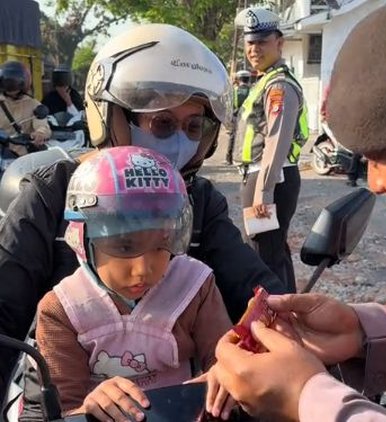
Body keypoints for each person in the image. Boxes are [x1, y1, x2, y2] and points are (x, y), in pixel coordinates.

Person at [207, 0, 386, 420]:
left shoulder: (280, 85)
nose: (374, 183)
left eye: (379, 157)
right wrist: (360, 331)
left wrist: (307, 397)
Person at [0, 24, 285, 404]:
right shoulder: (53, 193)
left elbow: (252, 284)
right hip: (70, 403)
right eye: (161, 123)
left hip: (175, 405)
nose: (179, 140)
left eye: (194, 125)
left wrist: (286, 330)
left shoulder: (198, 201)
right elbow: (5, 309)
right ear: (110, 116)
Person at [35, 145, 231, 420]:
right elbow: (65, 407)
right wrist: (89, 406)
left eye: (161, 246)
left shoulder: (193, 286)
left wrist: (225, 375)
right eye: (124, 247)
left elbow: (225, 359)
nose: (142, 269)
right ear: (82, 238)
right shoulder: (63, 309)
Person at [233, 7, 309, 293]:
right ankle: (288, 309)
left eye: (262, 42)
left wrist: (262, 193)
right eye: (250, 42)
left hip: (270, 180)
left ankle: (275, 318)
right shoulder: (265, 80)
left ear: (279, 43)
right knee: (272, 250)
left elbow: (276, 141)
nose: (254, 49)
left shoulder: (279, 85)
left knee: (262, 254)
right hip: (267, 178)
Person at [0, 61, 51, 155]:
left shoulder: (33, 104)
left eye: (15, 86)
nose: (12, 90)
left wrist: (39, 134)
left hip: (22, 158)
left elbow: (42, 125)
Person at [224, 70, 251, 165]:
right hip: (248, 117)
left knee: (232, 137)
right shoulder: (252, 91)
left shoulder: (233, 91)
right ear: (248, 79)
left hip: (235, 117)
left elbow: (228, 105)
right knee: (248, 137)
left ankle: (229, 158)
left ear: (239, 79)